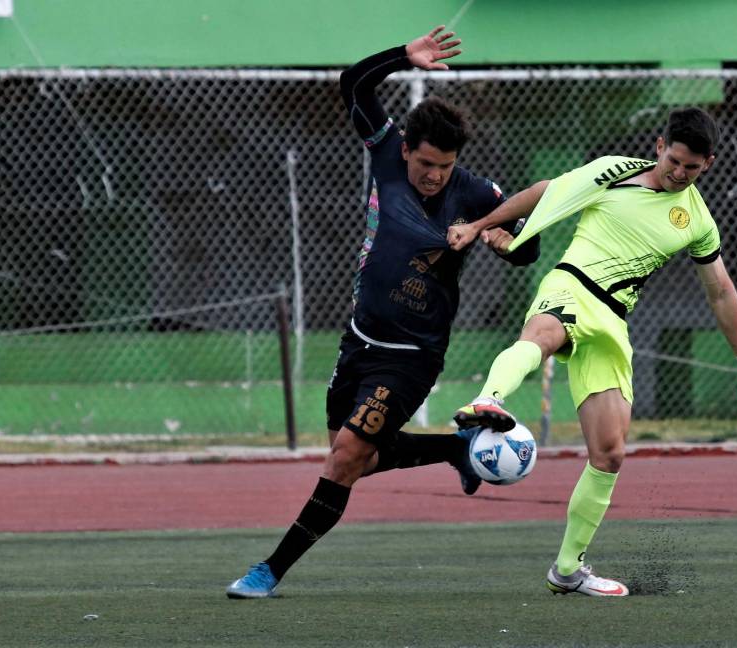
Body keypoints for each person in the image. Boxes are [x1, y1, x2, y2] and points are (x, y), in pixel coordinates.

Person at [226, 25, 540, 599]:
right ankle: (455, 448)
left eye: (444, 166)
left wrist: (505, 242)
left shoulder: (473, 192)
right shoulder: (385, 154)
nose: (434, 175)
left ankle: (269, 570)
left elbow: (529, 245)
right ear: (405, 151)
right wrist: (404, 56)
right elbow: (353, 85)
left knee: (346, 458)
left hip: (413, 357)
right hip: (359, 339)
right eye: (425, 163)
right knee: (358, 459)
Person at [446, 107, 737, 597]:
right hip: (572, 284)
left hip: (613, 321)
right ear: (659, 146)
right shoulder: (613, 171)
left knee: (610, 453)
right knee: (541, 337)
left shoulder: (698, 220)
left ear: (709, 165)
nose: (679, 173)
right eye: (674, 160)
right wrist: (481, 225)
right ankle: (489, 401)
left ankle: (567, 570)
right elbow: (548, 192)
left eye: (692, 168)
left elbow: (720, 291)